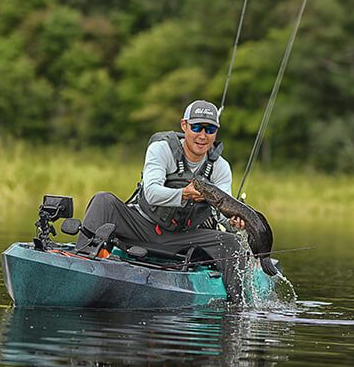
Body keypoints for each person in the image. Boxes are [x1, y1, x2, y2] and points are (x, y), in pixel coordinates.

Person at [74, 99, 248, 302]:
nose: (202, 135)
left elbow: (222, 215)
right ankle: (80, 265)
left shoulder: (221, 167)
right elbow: (152, 193)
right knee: (103, 201)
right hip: (142, 226)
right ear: (184, 125)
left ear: (216, 132)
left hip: (183, 239)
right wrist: (184, 193)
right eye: (197, 127)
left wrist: (234, 223)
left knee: (232, 243)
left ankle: (238, 306)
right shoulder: (161, 149)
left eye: (209, 129)